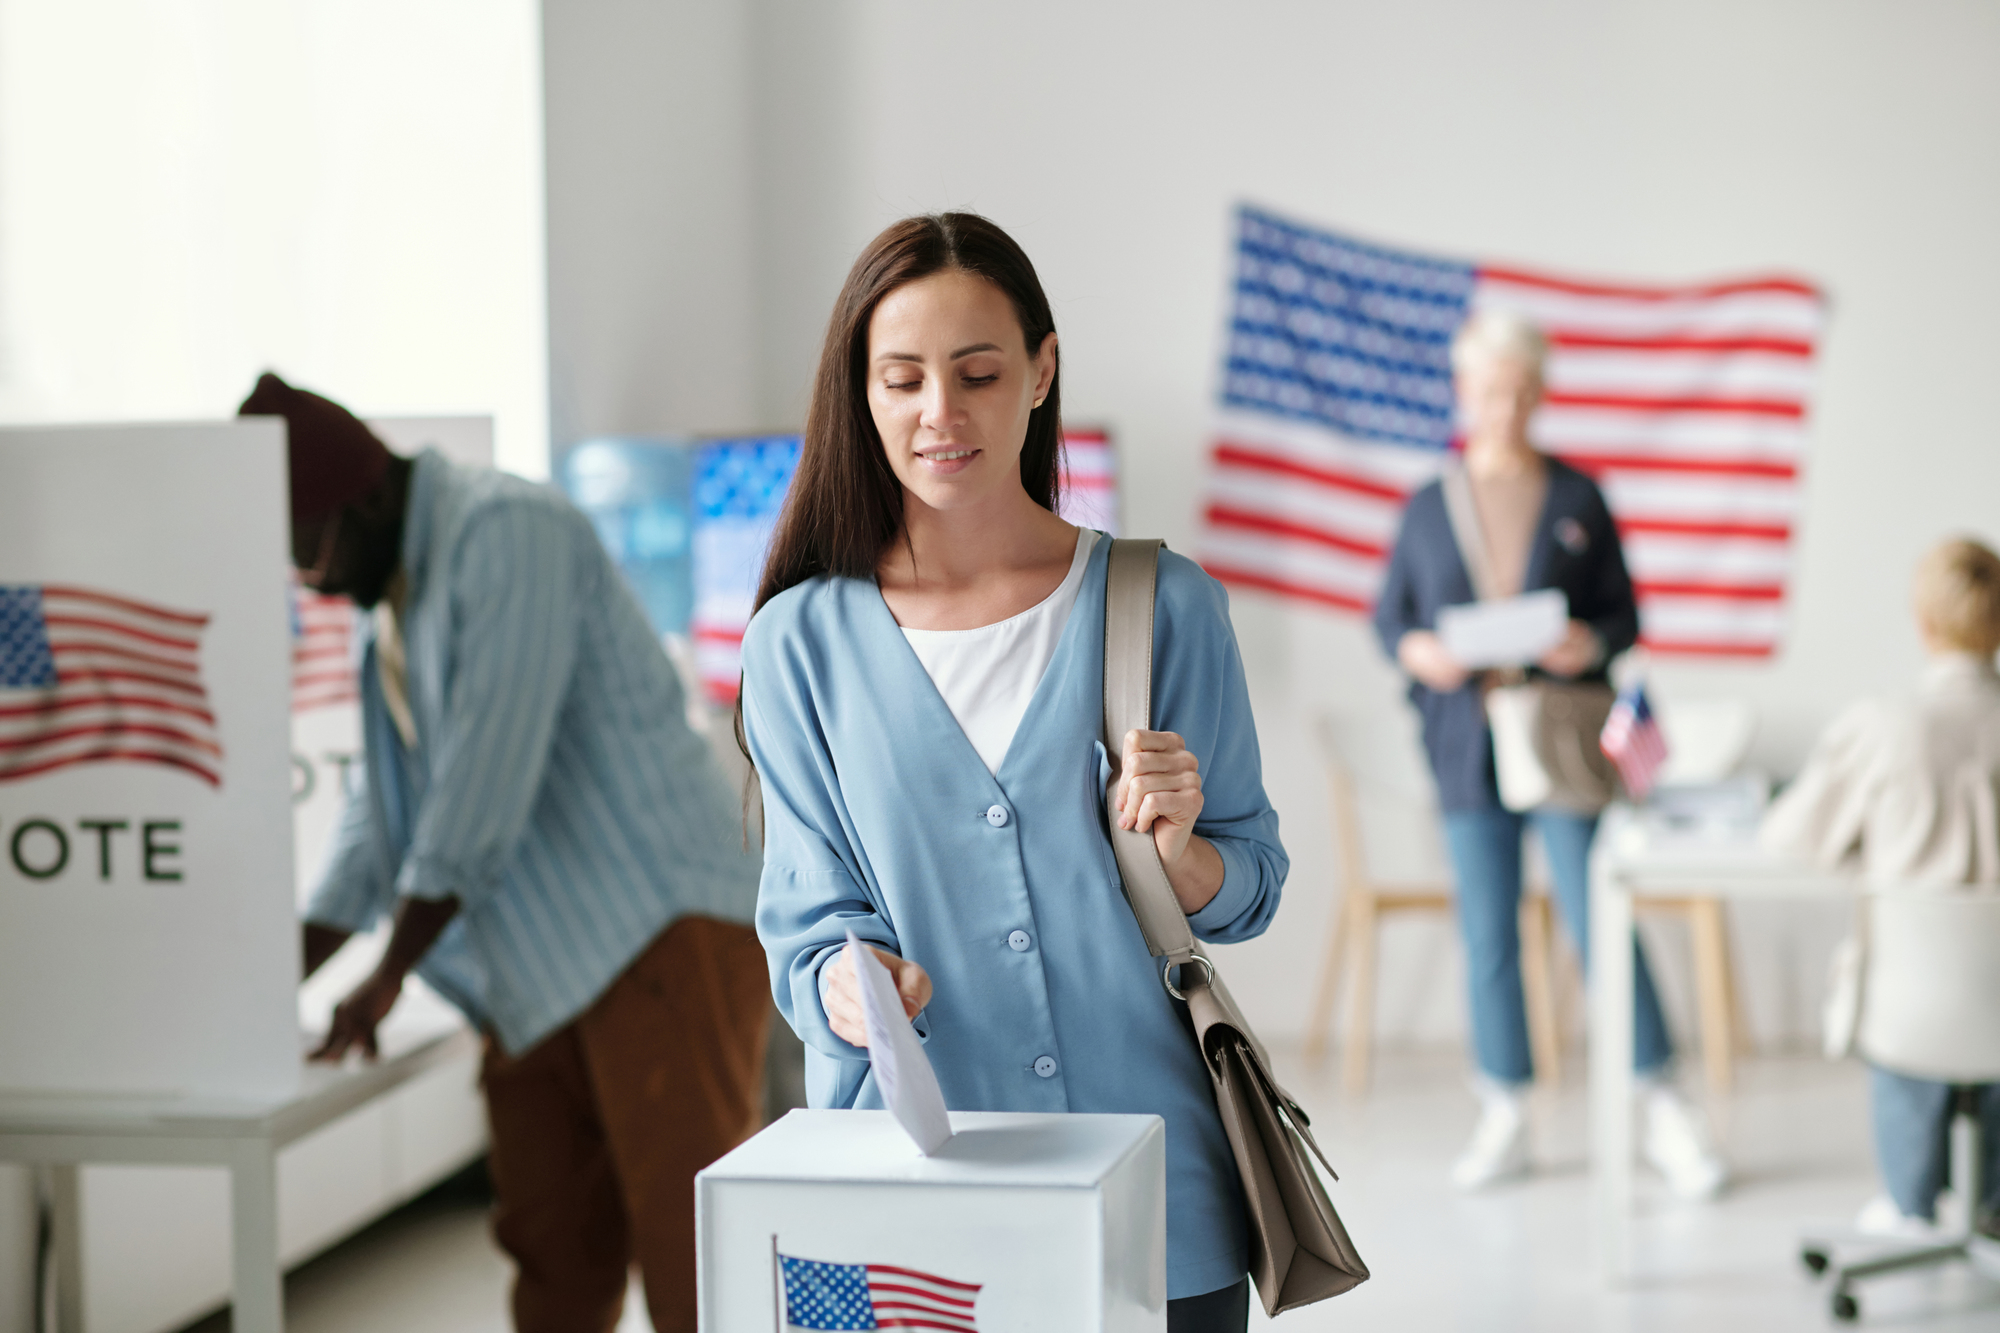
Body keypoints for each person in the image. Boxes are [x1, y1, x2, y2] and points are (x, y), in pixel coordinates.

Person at [738, 214, 1284, 1329]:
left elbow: (1254, 882)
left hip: (1155, 1201)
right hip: (904, 1216)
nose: (940, 412)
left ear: (1039, 373)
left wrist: (1179, 865)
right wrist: (843, 985)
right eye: (902, 379)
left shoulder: (1163, 607)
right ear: (862, 394)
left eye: (977, 373)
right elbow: (803, 931)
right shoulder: (796, 644)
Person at [241, 373, 768, 1333]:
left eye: (309, 559)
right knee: (553, 1256)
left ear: (358, 503)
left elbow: (481, 783)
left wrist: (387, 972)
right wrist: (272, 982)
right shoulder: (390, 603)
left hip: (655, 930)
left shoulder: (507, 531)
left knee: (695, 1262)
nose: (312, 587)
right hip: (532, 968)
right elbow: (381, 811)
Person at [1372, 310, 1725, 1197]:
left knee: (1599, 916)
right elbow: (1393, 619)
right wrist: (1421, 652)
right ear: (1466, 392)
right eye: (1492, 390)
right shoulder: (1425, 505)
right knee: (1488, 932)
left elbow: (1624, 618)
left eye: (1523, 390)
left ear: (1541, 391)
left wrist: (1583, 644)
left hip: (1561, 741)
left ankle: (1660, 1103)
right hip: (1464, 746)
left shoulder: (1578, 497)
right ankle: (1507, 1107)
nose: (1508, 406)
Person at [1762, 536, 2000, 1243]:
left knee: (1916, 1004)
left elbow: (1793, 837)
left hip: (1911, 1012)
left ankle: (1910, 1202)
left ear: (1922, 620)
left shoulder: (1884, 725)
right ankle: (1987, 1202)